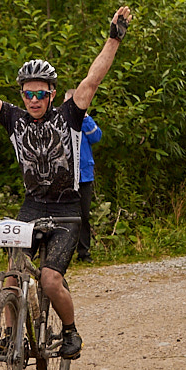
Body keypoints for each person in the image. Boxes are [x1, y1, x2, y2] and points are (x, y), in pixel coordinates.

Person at [0, 6, 132, 360]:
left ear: (52, 94)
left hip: (67, 209)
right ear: (22, 95)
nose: (34, 100)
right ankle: (11, 335)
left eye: (41, 94)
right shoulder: (14, 120)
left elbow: (92, 79)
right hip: (33, 205)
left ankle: (70, 331)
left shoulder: (70, 116)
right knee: (11, 276)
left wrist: (113, 39)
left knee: (51, 280)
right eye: (28, 94)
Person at [64, 89, 101, 263]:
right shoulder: (60, 120)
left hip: (84, 176)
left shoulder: (86, 121)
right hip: (64, 177)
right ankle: (63, 254)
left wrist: (85, 117)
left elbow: (97, 137)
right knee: (64, 217)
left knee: (83, 216)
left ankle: (84, 253)